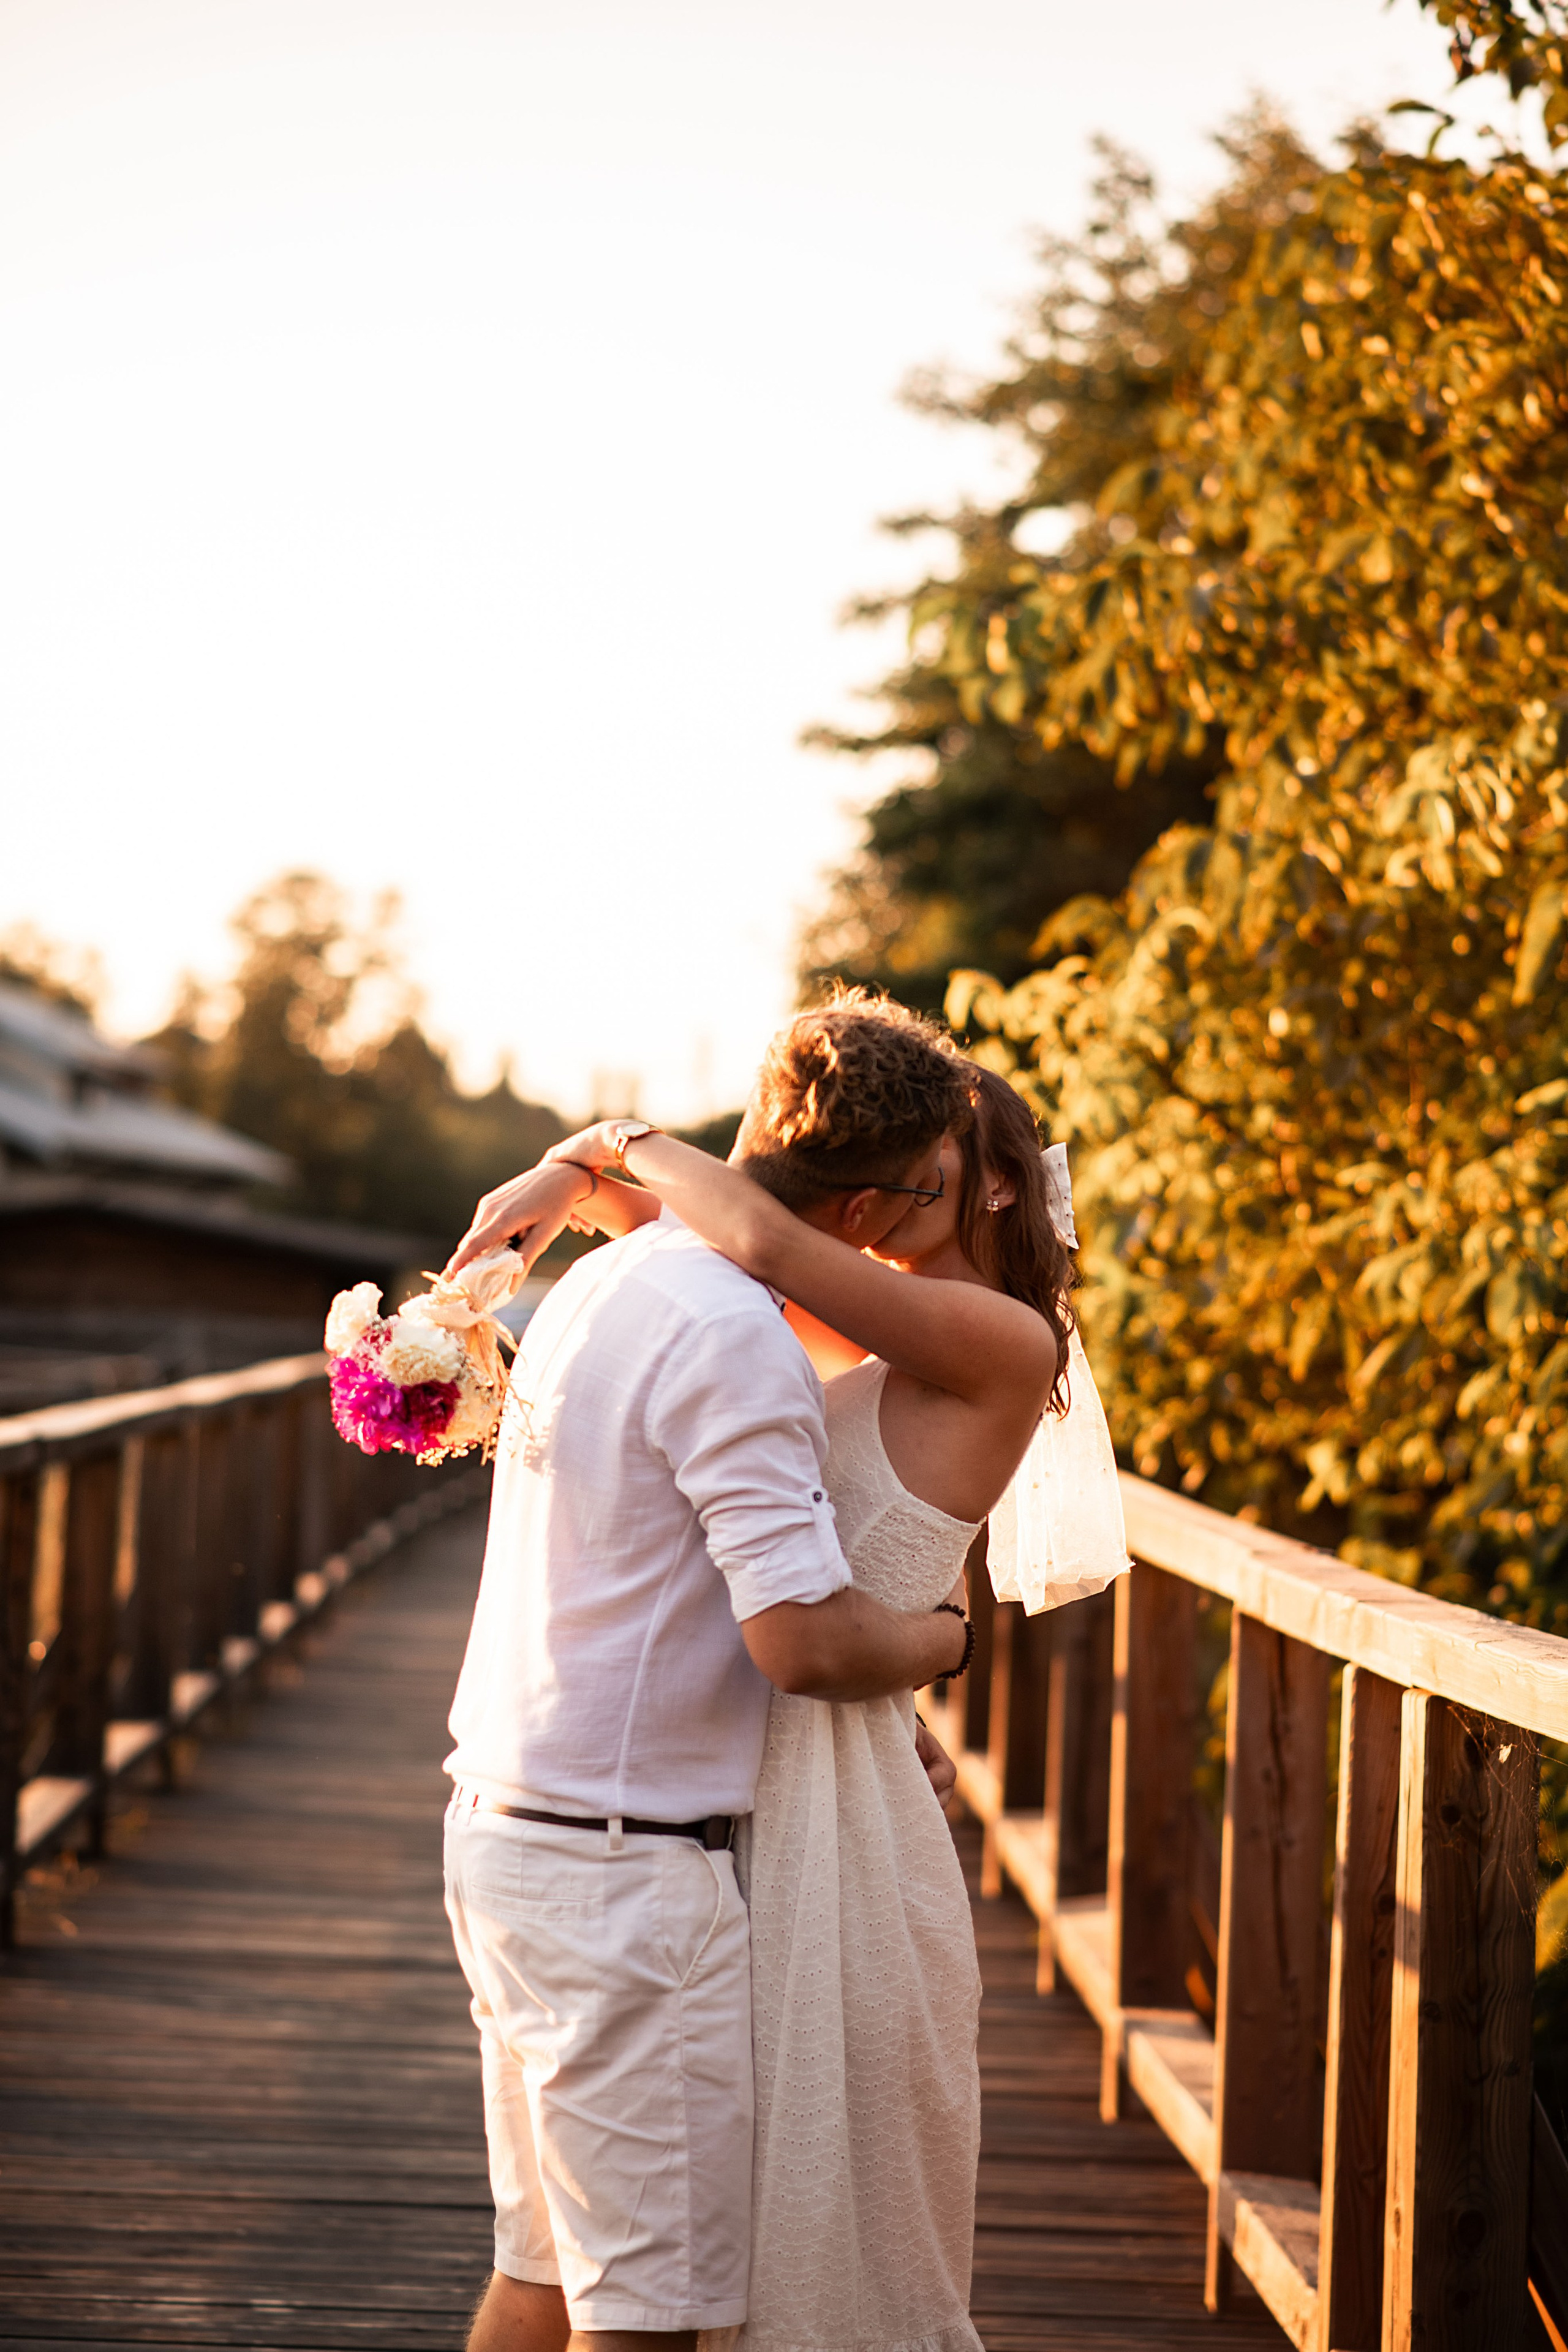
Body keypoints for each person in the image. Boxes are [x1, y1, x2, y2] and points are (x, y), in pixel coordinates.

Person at [451, 1023, 1075, 2352]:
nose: (902, 1201)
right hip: (703, 1816)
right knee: (630, 2280)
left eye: (935, 1173)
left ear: (994, 1187)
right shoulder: (780, 1305)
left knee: (636, 2271)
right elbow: (742, 1236)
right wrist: (584, 1171)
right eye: (903, 1174)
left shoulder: (987, 1335)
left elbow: (768, 1236)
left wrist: (592, 1149)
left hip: (769, 1817)